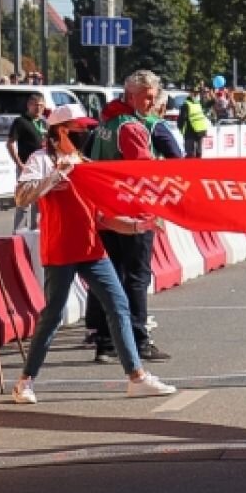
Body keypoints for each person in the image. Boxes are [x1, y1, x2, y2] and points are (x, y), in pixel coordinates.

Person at [10, 104, 176, 405]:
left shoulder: (85, 163)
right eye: (80, 128)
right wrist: (53, 179)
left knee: (119, 305)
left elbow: (103, 218)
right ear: (62, 130)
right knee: (53, 317)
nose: (86, 132)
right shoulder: (42, 160)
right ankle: (25, 382)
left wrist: (141, 224)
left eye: (87, 127)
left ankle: (136, 376)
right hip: (60, 251)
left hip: (92, 250)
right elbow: (21, 196)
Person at [85, 70, 170, 364]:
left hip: (105, 211)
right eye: (146, 97)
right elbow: (144, 172)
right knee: (136, 277)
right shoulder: (132, 128)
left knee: (110, 277)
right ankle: (139, 339)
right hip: (133, 213)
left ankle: (105, 341)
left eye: (152, 97)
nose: (151, 102)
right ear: (130, 95)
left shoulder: (105, 122)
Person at [6, 92, 47, 232]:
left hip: (42, 168)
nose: (39, 108)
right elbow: (10, 143)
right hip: (27, 168)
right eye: (36, 105)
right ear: (29, 105)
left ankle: (35, 234)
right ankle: (17, 235)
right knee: (24, 203)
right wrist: (19, 164)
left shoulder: (44, 122)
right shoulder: (20, 122)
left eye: (41, 105)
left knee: (39, 204)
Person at [178, 88, 211, 158]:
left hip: (191, 131)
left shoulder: (188, 104)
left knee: (191, 153)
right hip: (199, 131)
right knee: (198, 152)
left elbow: (181, 119)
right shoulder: (197, 103)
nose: (196, 94)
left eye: (197, 93)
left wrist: (181, 129)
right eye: (195, 92)